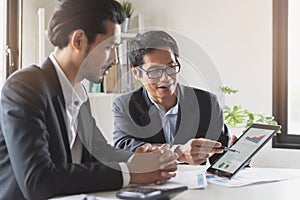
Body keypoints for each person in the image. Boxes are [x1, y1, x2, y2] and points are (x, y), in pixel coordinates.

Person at [0, 1, 178, 200]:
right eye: (110, 47)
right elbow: (38, 181)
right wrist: (132, 173)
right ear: (78, 40)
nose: (115, 60)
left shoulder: (77, 92)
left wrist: (141, 159)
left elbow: (99, 151)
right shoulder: (25, 87)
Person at [113, 30, 231, 165]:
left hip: (195, 183)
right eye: (155, 71)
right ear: (136, 73)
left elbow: (223, 158)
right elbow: (123, 146)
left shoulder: (207, 103)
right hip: (152, 182)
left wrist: (240, 155)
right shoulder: (125, 105)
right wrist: (178, 152)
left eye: (171, 67)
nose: (166, 78)